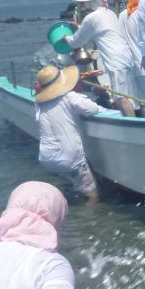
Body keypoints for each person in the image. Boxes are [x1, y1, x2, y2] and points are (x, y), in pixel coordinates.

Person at [64, 0, 139, 117]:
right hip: (126, 57)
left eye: (86, 2)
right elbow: (98, 30)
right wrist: (80, 28)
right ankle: (135, 121)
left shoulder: (92, 18)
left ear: (92, 2)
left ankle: (133, 127)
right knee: (129, 96)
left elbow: (77, 41)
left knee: (121, 97)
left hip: (115, 60)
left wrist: (66, 38)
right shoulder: (109, 13)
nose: (85, 6)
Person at [34, 64, 101, 200]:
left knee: (71, 180)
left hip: (46, 157)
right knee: (91, 191)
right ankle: (90, 216)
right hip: (69, 158)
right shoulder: (69, 97)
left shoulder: (39, 103)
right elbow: (92, 109)